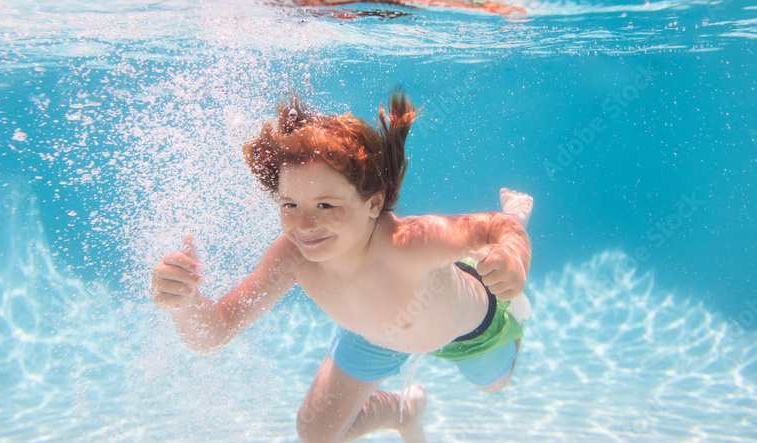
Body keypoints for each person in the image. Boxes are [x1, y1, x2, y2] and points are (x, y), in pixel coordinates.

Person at [151, 91, 533, 442]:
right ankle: (405, 411)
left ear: (373, 203)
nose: (304, 225)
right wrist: (184, 304)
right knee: (315, 433)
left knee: (494, 385)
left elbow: (497, 228)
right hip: (373, 332)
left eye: (326, 205)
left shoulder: (410, 243)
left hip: (470, 329)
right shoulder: (293, 256)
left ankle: (504, 243)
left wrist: (514, 254)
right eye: (289, 206)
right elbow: (213, 332)